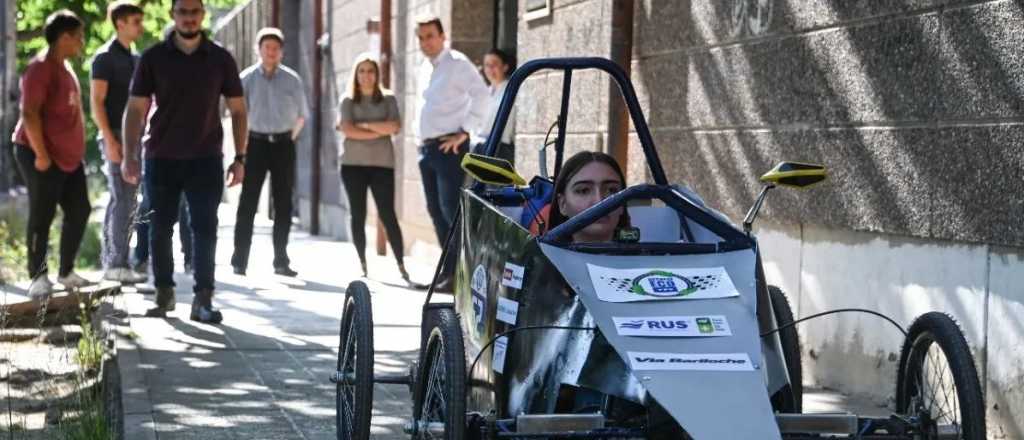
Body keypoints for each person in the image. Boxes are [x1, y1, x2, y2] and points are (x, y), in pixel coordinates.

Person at [121, 0, 248, 323]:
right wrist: (129, 156)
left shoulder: (220, 59)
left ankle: (203, 299)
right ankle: (164, 294)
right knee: (159, 228)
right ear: (173, 15)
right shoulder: (153, 58)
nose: (189, 18)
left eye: (194, 12)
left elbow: (238, 110)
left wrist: (240, 158)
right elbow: (135, 110)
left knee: (205, 228)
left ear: (202, 15)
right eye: (183, 12)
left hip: (206, 157)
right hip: (161, 157)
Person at [12, 10, 92, 298]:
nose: (82, 42)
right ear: (64, 38)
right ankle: (37, 276)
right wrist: (41, 155)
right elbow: (29, 113)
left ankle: (66, 272)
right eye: (78, 37)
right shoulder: (40, 68)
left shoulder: (66, 68)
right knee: (42, 213)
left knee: (80, 209)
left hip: (69, 158)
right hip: (39, 152)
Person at [414, 16, 489, 292]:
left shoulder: (457, 64)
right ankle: (449, 274)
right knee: (435, 210)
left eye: (430, 36)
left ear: (443, 36)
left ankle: (461, 274)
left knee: (450, 210)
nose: (425, 42)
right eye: (421, 37)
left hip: (450, 149)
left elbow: (482, 96)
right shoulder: (424, 66)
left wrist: (465, 132)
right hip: (427, 149)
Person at [230, 27, 306, 277]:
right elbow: (238, 115)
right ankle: (239, 260)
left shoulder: (292, 80)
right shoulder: (247, 79)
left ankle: (281, 260)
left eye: (275, 48)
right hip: (256, 144)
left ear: (281, 51)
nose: (271, 52)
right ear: (258, 50)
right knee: (248, 202)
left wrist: (288, 139)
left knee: (283, 203)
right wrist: (242, 149)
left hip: (284, 144)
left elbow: (302, 115)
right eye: (266, 48)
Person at [336, 53, 418, 286]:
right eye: (361, 70)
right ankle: (362, 263)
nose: (366, 75)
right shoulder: (348, 100)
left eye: (370, 70)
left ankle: (401, 264)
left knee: (387, 214)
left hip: (382, 164)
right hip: (352, 165)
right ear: (356, 74)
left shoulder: (388, 99)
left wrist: (364, 125)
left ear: (377, 74)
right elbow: (347, 130)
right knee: (358, 214)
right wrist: (377, 130)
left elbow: (394, 127)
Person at [91, 1, 147, 284]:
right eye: (136, 21)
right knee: (121, 198)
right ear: (120, 23)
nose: (141, 26)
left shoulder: (136, 59)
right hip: (114, 135)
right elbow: (97, 103)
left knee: (128, 200)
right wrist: (111, 140)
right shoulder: (104, 58)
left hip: (135, 139)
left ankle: (118, 260)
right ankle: (115, 263)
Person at [547, 151, 629, 243]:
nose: (599, 201)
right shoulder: (539, 256)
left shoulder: (645, 255)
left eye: (611, 190)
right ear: (562, 204)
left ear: (623, 203)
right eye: (584, 191)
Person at [472, 48, 516, 163]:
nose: (490, 69)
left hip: (500, 148)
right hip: (480, 147)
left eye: (494, 64)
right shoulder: (485, 92)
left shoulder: (511, 90)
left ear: (505, 67)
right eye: (487, 65)